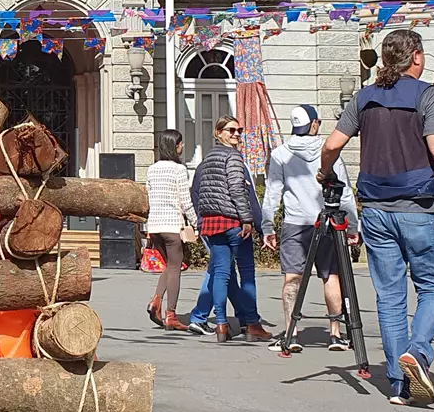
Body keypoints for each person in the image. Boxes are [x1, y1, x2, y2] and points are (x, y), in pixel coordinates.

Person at [322, 29, 434, 407]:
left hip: (376, 210)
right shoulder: (430, 95)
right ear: (417, 58)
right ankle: (419, 353)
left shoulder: (364, 98)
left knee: (390, 297)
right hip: (418, 208)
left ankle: (400, 384)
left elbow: (331, 145)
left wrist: (325, 173)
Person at [261, 104, 359, 352]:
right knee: (330, 276)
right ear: (314, 125)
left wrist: (267, 226)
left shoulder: (281, 154)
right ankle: (335, 334)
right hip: (325, 219)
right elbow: (344, 192)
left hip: (295, 223)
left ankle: (292, 333)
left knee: (292, 277)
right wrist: (352, 226)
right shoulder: (329, 152)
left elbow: (272, 193)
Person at [186, 117, 271, 343]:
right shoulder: (233, 156)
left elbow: (197, 193)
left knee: (221, 274)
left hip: (212, 224)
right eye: (231, 130)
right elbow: (237, 190)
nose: (237, 134)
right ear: (218, 132)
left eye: (239, 130)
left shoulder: (206, 159)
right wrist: (247, 219)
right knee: (247, 273)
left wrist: (201, 219)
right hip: (233, 222)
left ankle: (221, 325)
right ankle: (252, 324)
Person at [145, 128, 197, 330]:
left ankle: (156, 301)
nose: (182, 147)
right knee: (176, 267)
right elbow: (186, 201)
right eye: (180, 144)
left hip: (155, 225)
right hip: (172, 225)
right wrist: (196, 222)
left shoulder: (152, 169)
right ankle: (171, 315)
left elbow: (149, 198)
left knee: (169, 265)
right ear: (174, 147)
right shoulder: (178, 170)